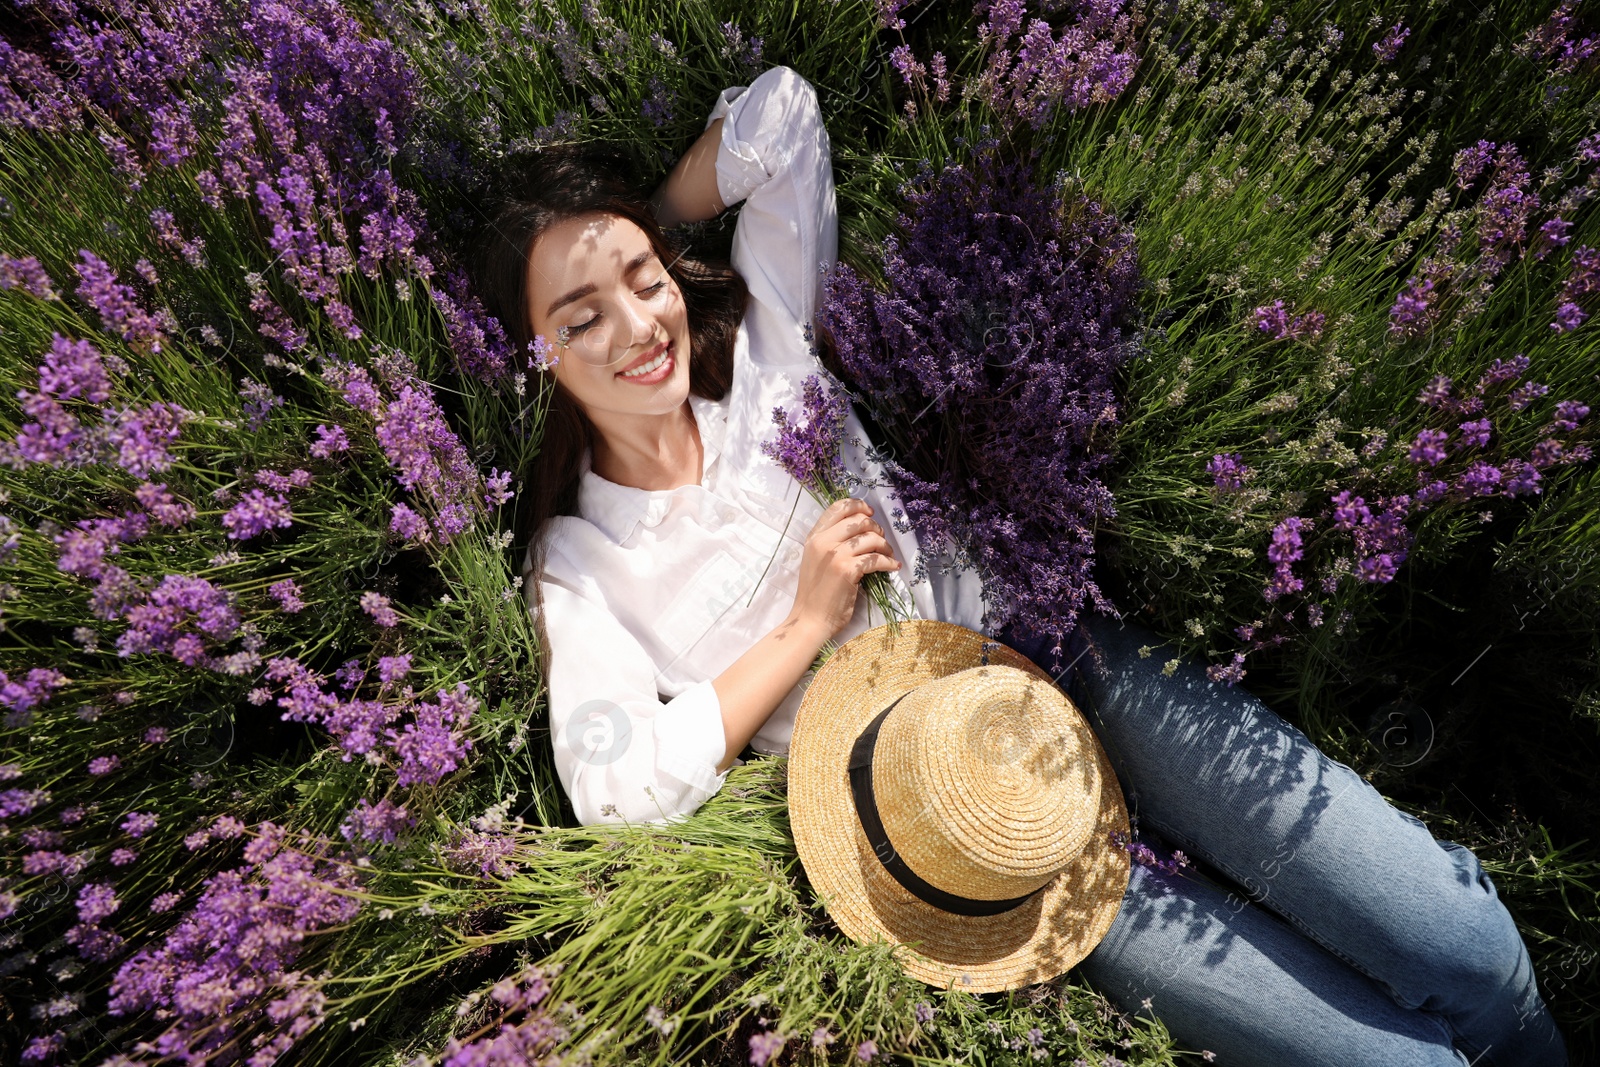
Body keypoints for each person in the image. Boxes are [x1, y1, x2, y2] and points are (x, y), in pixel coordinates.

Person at [479, 65, 1569, 1067]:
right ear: (531, 357)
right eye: (582, 319)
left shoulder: (762, 350)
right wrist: (801, 626)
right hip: (963, 833)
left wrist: (647, 224)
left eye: (642, 282)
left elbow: (782, 120)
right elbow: (618, 794)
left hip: (1055, 655)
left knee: (1464, 941)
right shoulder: (584, 559)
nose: (637, 326)